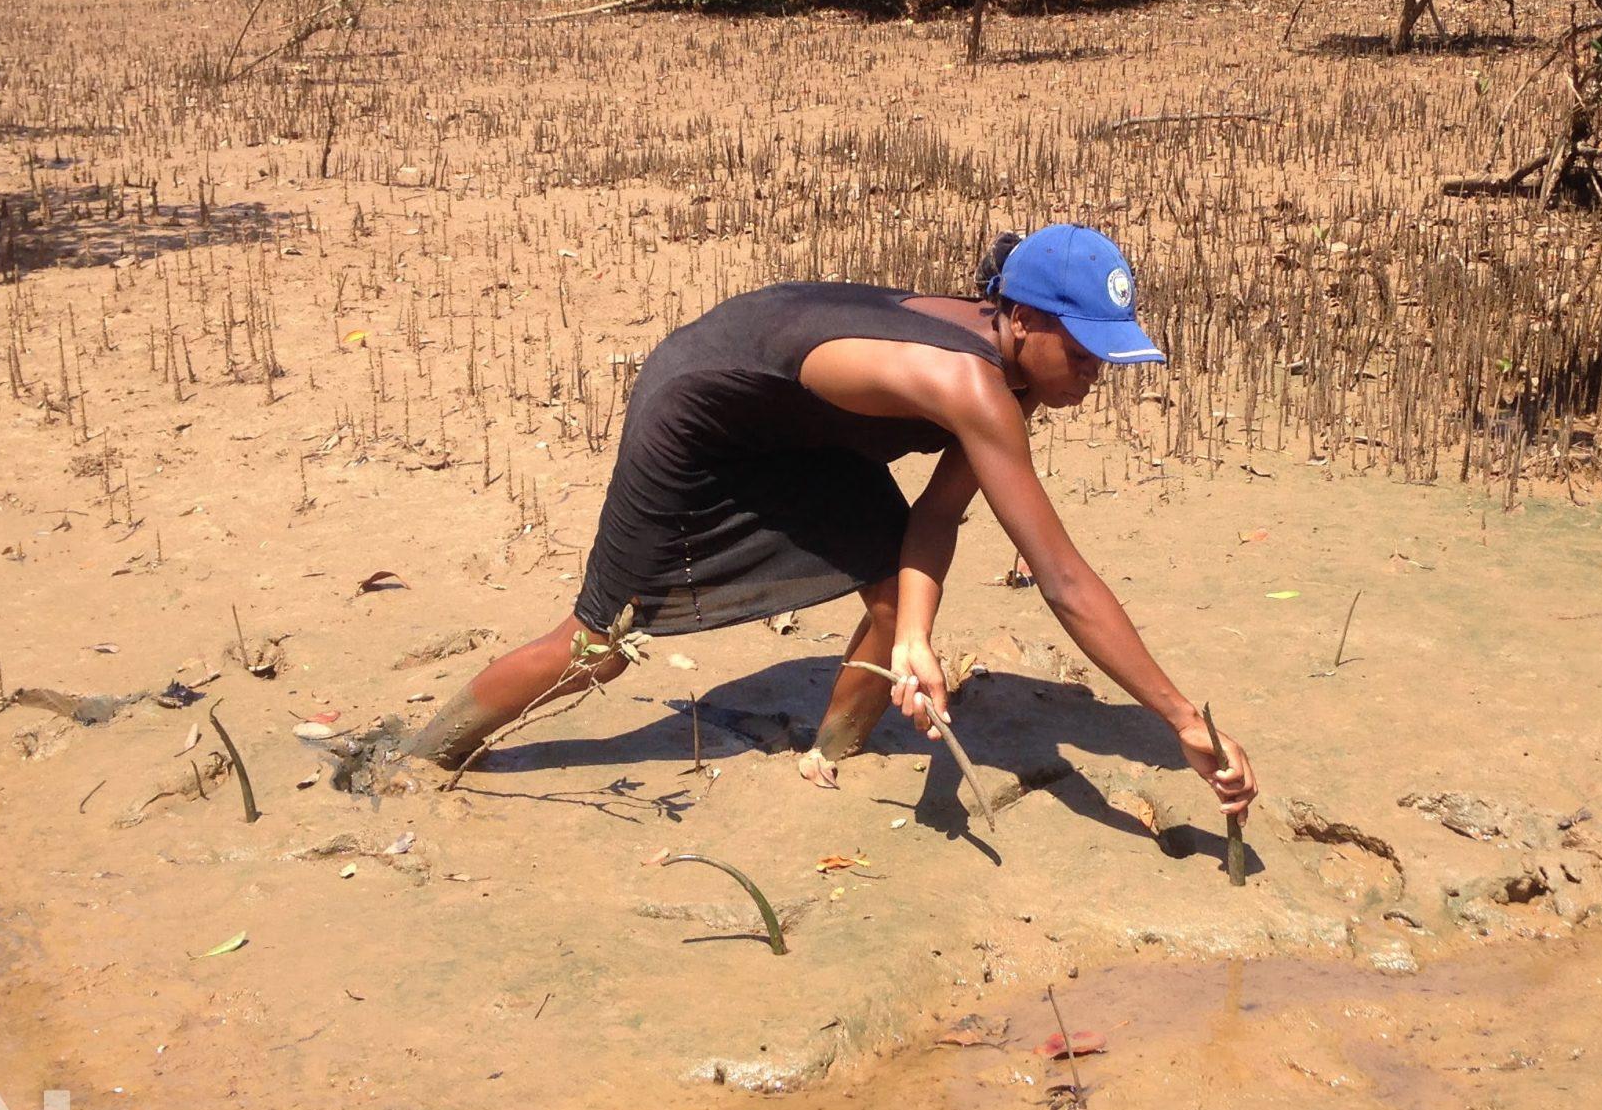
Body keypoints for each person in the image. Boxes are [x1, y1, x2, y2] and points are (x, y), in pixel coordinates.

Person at [406, 224, 1256, 823]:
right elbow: (1062, 579)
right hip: (701, 409)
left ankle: (831, 754)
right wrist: (1182, 717)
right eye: (1083, 351)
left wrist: (916, 635)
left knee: (891, 597)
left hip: (794, 424)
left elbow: (938, 515)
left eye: (1107, 356)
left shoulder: (1014, 371)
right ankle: (419, 755)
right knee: (599, 644)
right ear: (1026, 320)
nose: (1095, 373)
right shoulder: (970, 384)